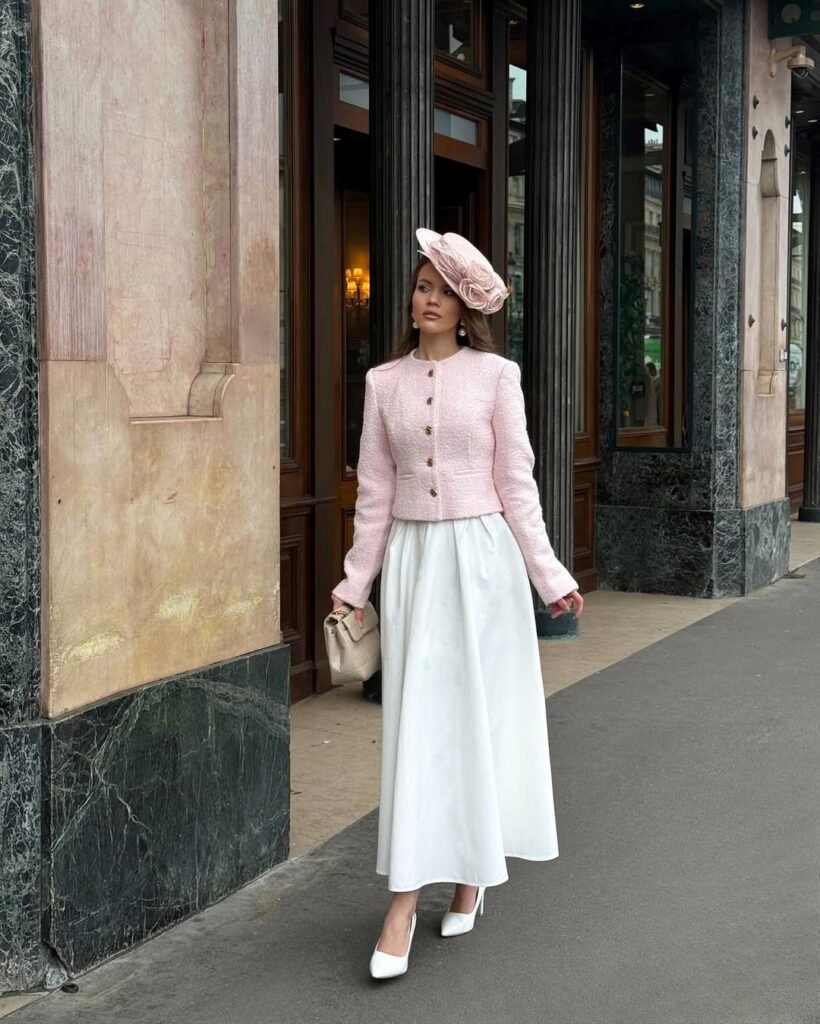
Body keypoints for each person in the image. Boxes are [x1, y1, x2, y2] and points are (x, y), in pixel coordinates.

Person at [330, 228, 584, 981]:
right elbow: (373, 497)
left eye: (441, 289)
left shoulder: (498, 377)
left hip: (483, 566)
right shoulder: (382, 384)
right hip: (414, 564)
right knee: (420, 729)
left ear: (466, 303)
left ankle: (471, 876)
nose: (427, 299)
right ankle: (404, 902)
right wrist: (353, 585)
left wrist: (549, 575)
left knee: (479, 720)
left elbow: (518, 487)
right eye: (420, 286)